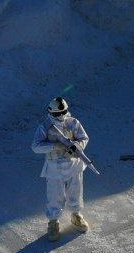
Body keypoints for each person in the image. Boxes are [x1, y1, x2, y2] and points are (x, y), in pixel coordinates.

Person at [31, 96, 91, 241]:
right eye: (57, 113)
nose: (61, 116)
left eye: (63, 112)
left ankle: (76, 215)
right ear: (51, 113)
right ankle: (53, 222)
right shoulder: (45, 127)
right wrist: (53, 146)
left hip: (73, 165)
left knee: (76, 191)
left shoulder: (73, 123)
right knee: (55, 195)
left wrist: (76, 147)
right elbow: (35, 147)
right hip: (54, 167)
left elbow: (84, 138)